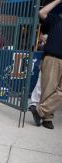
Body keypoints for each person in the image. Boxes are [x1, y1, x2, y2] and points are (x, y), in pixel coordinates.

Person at [30, 0, 62, 129]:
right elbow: (42, 12)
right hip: (53, 58)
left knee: (58, 91)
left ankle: (40, 111)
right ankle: (47, 118)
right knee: (48, 89)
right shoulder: (55, 20)